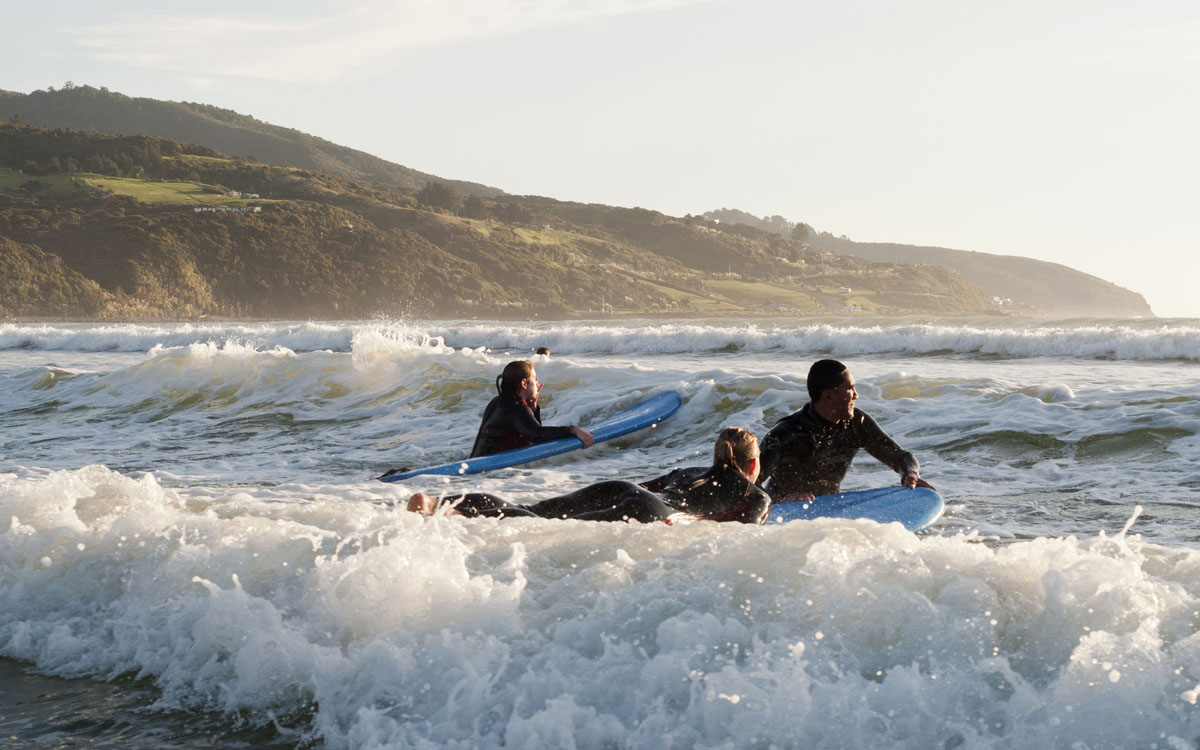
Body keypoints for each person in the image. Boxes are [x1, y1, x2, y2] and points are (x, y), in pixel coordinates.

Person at [408, 427, 770, 525]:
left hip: (622, 489)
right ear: (753, 465)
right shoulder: (757, 497)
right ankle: (451, 514)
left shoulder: (689, 471)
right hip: (656, 514)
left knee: (533, 510)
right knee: (544, 526)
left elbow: (646, 488)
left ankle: (442, 504)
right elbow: (741, 537)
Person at [758, 359, 929, 503]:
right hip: (782, 515)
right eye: (850, 389)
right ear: (828, 395)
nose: (856, 395)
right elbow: (748, 483)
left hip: (829, 508)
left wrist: (910, 473)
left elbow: (901, 457)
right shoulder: (786, 433)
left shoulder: (857, 423)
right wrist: (783, 500)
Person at [469, 360, 593, 458]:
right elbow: (537, 435)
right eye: (534, 378)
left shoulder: (497, 401)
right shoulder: (517, 407)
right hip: (486, 470)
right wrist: (573, 430)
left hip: (475, 460)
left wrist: (533, 410)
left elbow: (533, 434)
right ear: (524, 383)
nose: (537, 382)